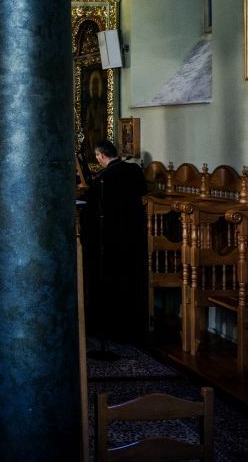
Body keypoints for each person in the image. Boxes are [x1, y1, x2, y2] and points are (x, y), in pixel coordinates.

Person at [83, 138, 148, 345]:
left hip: (108, 240)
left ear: (100, 155)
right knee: (130, 282)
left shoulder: (104, 178)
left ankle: (107, 328)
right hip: (133, 238)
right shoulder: (134, 171)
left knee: (108, 283)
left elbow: (91, 209)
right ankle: (132, 328)